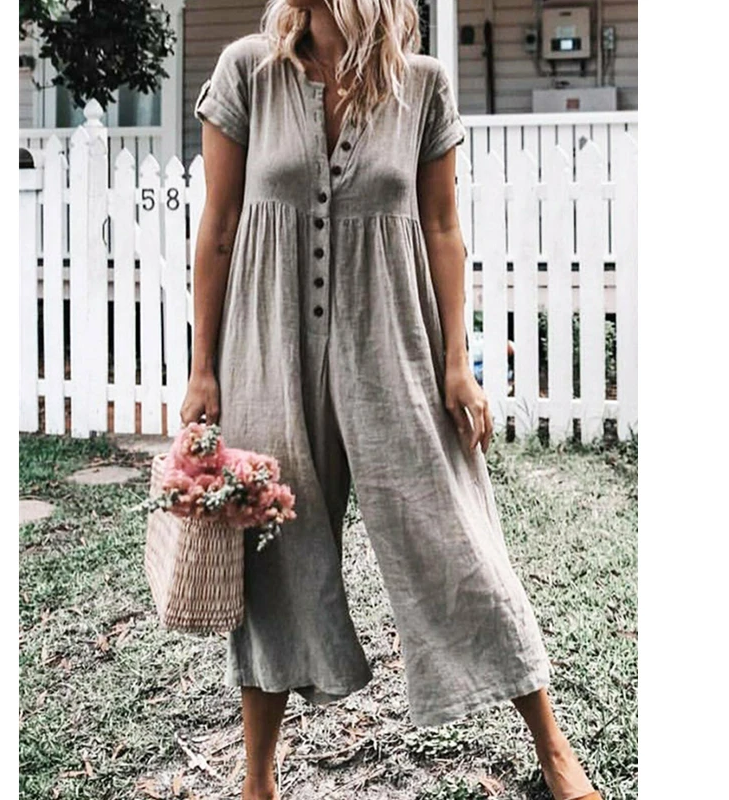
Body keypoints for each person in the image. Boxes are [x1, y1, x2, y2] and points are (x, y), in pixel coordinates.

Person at [180, 2, 602, 799]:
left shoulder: (423, 87)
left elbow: (442, 228)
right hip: (269, 345)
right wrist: (203, 369)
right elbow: (221, 225)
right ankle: (258, 779)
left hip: (394, 343)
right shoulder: (247, 73)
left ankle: (553, 749)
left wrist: (457, 362)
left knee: (456, 538)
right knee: (274, 560)